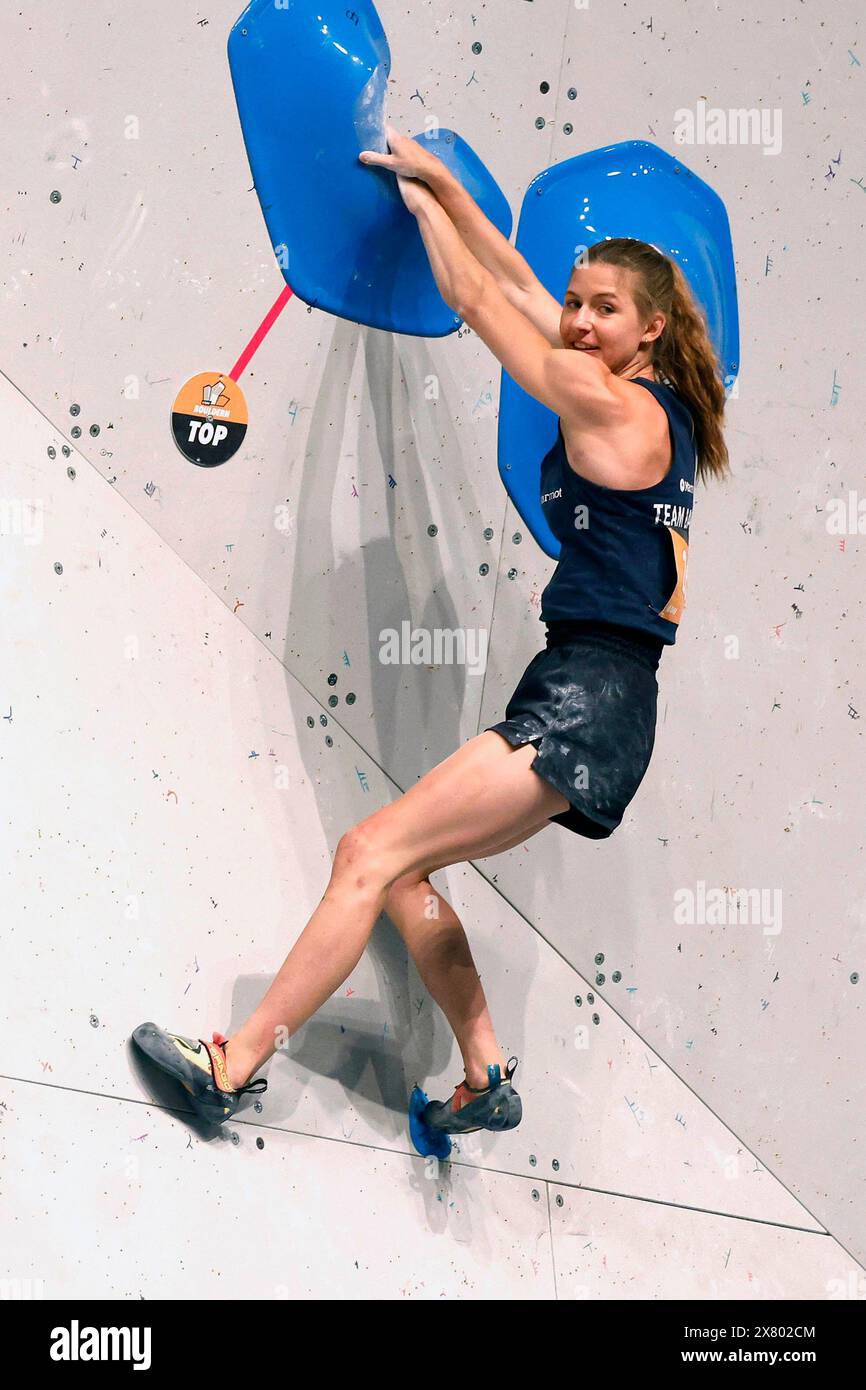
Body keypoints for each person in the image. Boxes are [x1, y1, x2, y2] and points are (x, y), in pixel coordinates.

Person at [132, 126, 730, 1136]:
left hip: (580, 700)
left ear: (654, 329)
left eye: (603, 310)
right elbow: (514, 279)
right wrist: (449, 189)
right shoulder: (644, 401)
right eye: (577, 302)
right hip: (607, 706)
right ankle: (484, 1069)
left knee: (366, 851)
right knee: (407, 870)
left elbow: (475, 301)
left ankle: (229, 1068)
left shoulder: (604, 401)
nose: (579, 321)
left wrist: (417, 211)